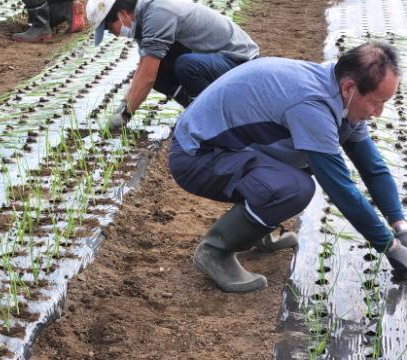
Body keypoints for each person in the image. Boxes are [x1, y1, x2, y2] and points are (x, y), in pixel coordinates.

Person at [169, 42, 407, 293]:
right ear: (350, 88)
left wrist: (399, 226)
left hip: (230, 146)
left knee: (301, 164)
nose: (379, 112)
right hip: (196, 155)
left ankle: (256, 229)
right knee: (295, 188)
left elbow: (372, 167)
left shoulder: (340, 92)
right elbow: (341, 189)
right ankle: (215, 252)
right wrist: (391, 248)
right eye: (377, 102)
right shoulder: (313, 105)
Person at [86, 0, 259, 130]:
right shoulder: (143, 19)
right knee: (159, 73)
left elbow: (146, 77)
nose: (115, 35)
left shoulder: (157, 15)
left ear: (122, 13)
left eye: (110, 28)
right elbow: (143, 68)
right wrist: (124, 103)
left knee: (186, 66)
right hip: (217, 61)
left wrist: (125, 115)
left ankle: (209, 117)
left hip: (240, 63)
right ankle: (194, 109)